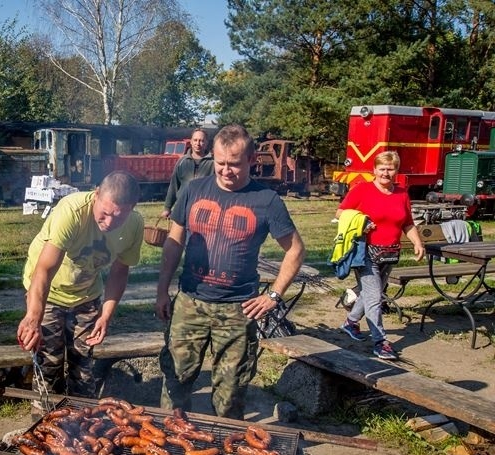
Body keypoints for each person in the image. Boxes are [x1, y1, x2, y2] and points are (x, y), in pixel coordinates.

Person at [155, 124, 305, 419]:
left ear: (251, 160)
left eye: (234, 164)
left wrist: (273, 296)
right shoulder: (192, 190)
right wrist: (162, 290)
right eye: (220, 163)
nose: (225, 170)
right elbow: (174, 243)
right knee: (175, 381)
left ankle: (227, 449)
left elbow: (296, 250)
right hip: (190, 303)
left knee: (230, 391)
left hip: (238, 310)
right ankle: (169, 438)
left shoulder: (267, 201)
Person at [16, 171, 144, 414]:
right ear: (96, 195)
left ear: (132, 208)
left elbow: (119, 272)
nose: (108, 223)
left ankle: (81, 425)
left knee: (84, 369)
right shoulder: (71, 211)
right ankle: (42, 424)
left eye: (117, 217)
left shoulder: (135, 225)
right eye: (104, 214)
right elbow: (44, 270)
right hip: (49, 291)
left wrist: (106, 314)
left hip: (86, 293)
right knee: (49, 364)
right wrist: (33, 317)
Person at [337, 151, 424, 360]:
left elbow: (407, 222)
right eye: (382, 168)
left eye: (390, 168)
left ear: (396, 171)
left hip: (390, 253)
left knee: (370, 294)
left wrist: (418, 242)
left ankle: (350, 322)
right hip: (365, 252)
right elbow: (340, 213)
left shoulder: (402, 193)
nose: (386, 173)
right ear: (374, 170)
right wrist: (362, 222)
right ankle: (380, 342)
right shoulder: (362, 190)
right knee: (375, 297)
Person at [161, 128, 214, 218]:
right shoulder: (182, 161)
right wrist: (167, 208)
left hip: (203, 211)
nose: (198, 144)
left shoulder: (213, 163)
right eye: (195, 140)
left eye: (201, 141)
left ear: (207, 143)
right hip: (182, 208)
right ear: (191, 142)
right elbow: (174, 186)